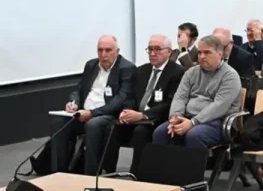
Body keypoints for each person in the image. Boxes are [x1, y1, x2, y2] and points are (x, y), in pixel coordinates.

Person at [50, 35, 136, 175]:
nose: (104, 55)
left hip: (107, 114)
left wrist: (92, 113)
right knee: (58, 122)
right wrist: (74, 103)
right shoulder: (91, 65)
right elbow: (78, 89)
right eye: (100, 50)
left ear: (117, 51)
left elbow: (120, 99)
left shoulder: (127, 68)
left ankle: (90, 173)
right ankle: (58, 171)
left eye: (108, 50)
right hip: (84, 111)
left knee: (93, 125)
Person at [153, 35, 241, 148]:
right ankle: (166, 166)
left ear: (220, 54)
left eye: (207, 52)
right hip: (187, 117)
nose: (202, 56)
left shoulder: (230, 76)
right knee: (160, 133)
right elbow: (180, 97)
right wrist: (175, 117)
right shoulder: (191, 72)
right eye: (199, 53)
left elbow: (219, 106)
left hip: (217, 121)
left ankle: (192, 166)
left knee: (194, 135)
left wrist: (193, 122)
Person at [114, 35, 184, 175]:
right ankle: (107, 172)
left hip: (157, 119)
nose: (152, 53)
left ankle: (136, 174)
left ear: (169, 52)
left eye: (157, 49)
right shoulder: (141, 71)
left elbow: (170, 103)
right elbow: (131, 96)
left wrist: (143, 115)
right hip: (135, 116)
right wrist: (126, 110)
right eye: (150, 49)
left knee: (141, 132)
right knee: (113, 127)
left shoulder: (178, 72)